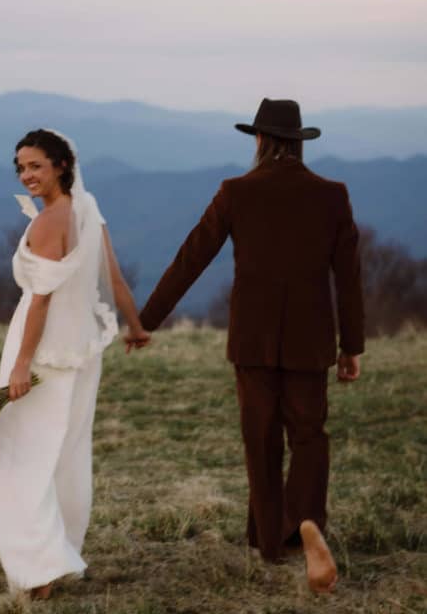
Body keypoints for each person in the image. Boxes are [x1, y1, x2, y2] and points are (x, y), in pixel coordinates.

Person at [138, 99, 364, 594]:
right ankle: (305, 522)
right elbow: (347, 278)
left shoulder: (236, 192)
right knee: (309, 434)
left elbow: (191, 257)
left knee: (259, 435)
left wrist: (146, 319)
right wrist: (352, 346)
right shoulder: (332, 195)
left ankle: (268, 540)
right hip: (311, 338)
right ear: (299, 143)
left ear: (259, 141)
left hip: (252, 338)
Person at [0, 128, 150, 600]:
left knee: (23, 454)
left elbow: (40, 302)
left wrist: (21, 365)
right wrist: (134, 326)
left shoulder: (47, 224)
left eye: (36, 165)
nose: (27, 175)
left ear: (62, 165)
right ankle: (59, 554)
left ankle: (39, 567)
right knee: (67, 453)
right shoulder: (89, 208)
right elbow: (115, 277)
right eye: (21, 167)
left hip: (42, 352)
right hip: (82, 350)